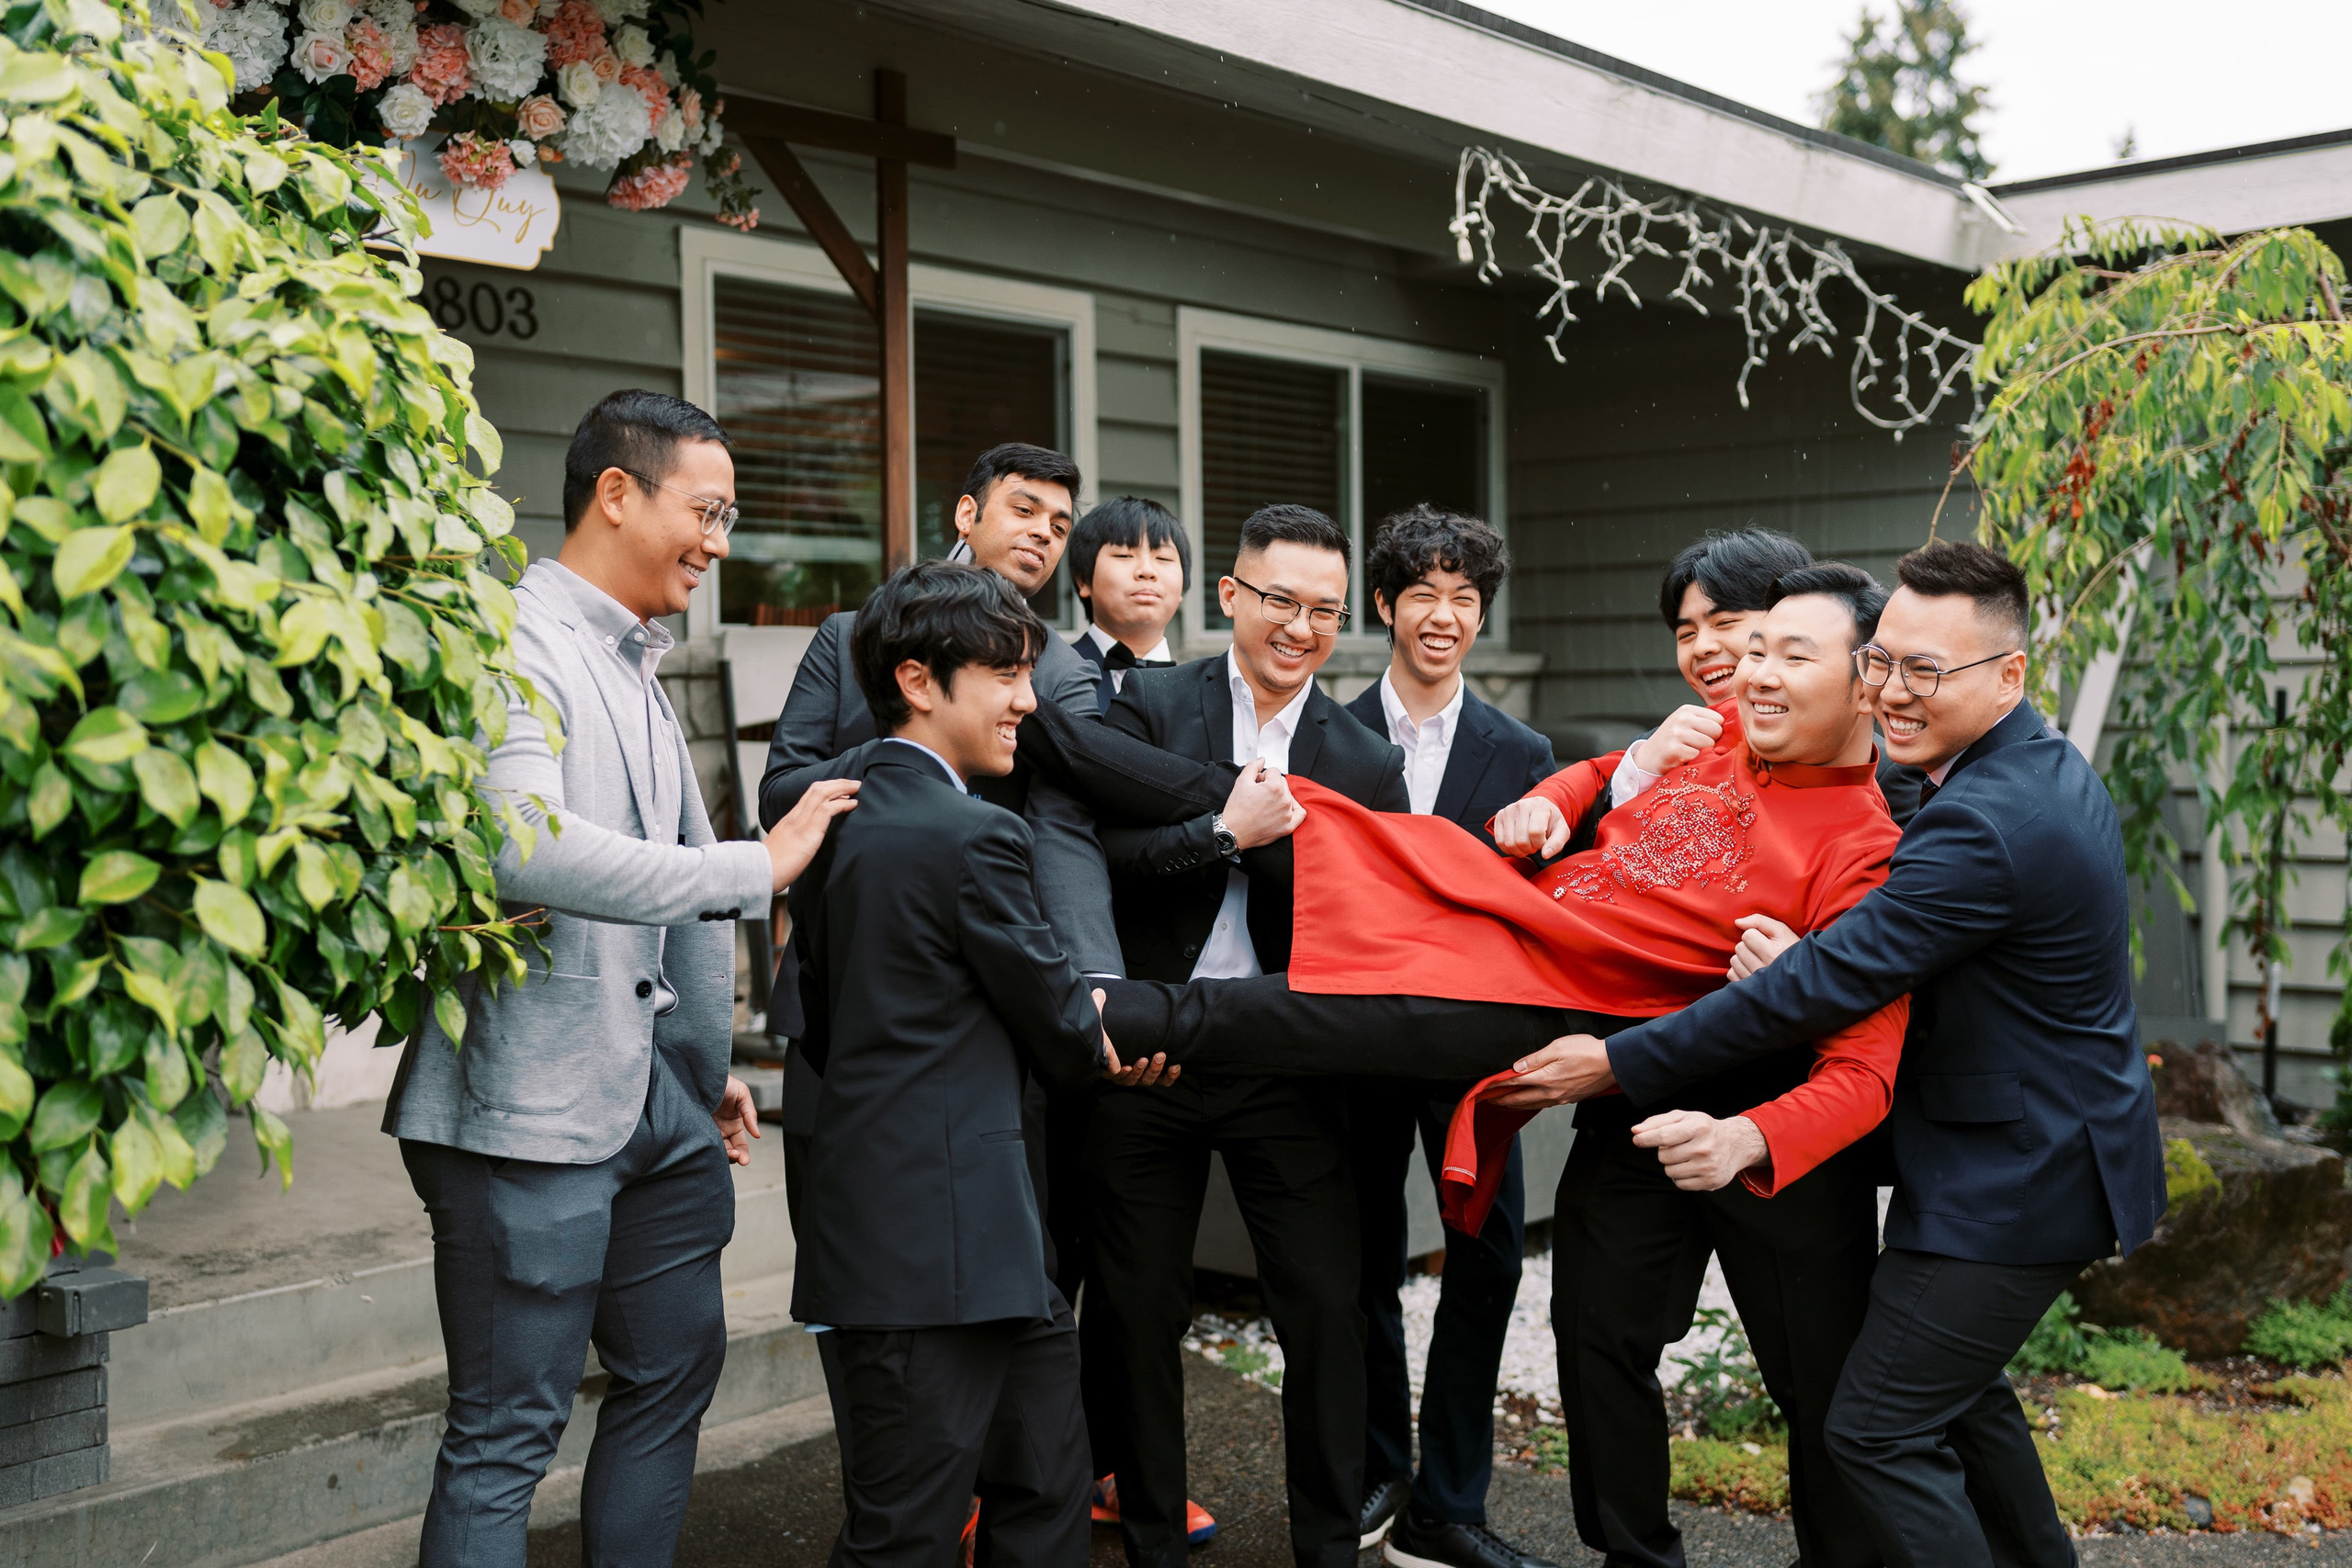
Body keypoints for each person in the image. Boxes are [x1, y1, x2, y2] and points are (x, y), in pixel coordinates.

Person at [1504, 541, 2166, 1568]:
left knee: (1870, 1422)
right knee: (1953, 1397)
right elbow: (1631, 790)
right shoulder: (2001, 764)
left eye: (1921, 671)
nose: (1894, 691)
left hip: (1994, 1163)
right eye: (1884, 664)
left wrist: (1620, 1060)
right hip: (1983, 1142)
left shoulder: (1959, 819)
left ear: (2010, 674)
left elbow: (1829, 985)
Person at [382, 389, 861, 1568]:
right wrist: (765, 860)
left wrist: (698, 1075)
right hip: (522, 1107)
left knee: (673, 1375)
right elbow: (520, 843)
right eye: (706, 511)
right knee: (505, 1437)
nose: (721, 541)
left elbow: (672, 903)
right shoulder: (512, 637)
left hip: (654, 1100)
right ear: (615, 493)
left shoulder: (638, 659)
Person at [788, 560, 1156, 1568]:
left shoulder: (833, 820)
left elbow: (822, 1022)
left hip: (962, 1241)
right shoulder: (974, 835)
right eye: (1004, 675)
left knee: (1040, 1488)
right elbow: (1059, 1025)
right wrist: (1100, 1031)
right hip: (933, 1249)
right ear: (918, 681)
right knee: (910, 1534)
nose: (1027, 703)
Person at [1086, 503, 1406, 1568]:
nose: (1299, 628)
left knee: (1322, 1306)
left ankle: (1326, 1543)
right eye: (1278, 600)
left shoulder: (1360, 756)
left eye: (1322, 610)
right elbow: (1105, 858)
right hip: (1150, 1056)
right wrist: (1223, 832)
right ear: (1229, 595)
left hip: (1286, 1056)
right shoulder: (1145, 702)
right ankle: (1150, 1542)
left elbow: (1367, 914)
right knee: (1137, 1310)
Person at [1340, 505, 1559, 1568]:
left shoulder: (1523, 753)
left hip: (1476, 1042)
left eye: (1465, 598)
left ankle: (1450, 1501)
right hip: (1352, 1034)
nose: (1444, 615)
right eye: (1423, 593)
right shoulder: (1326, 734)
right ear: (1384, 604)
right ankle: (1380, 1464)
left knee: (1486, 1260)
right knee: (1361, 1255)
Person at [1070, 495, 1186, 712]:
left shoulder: (1210, 691)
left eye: (1163, 559)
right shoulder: (1052, 675)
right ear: (1083, 580)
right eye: (1124, 555)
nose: (1147, 571)